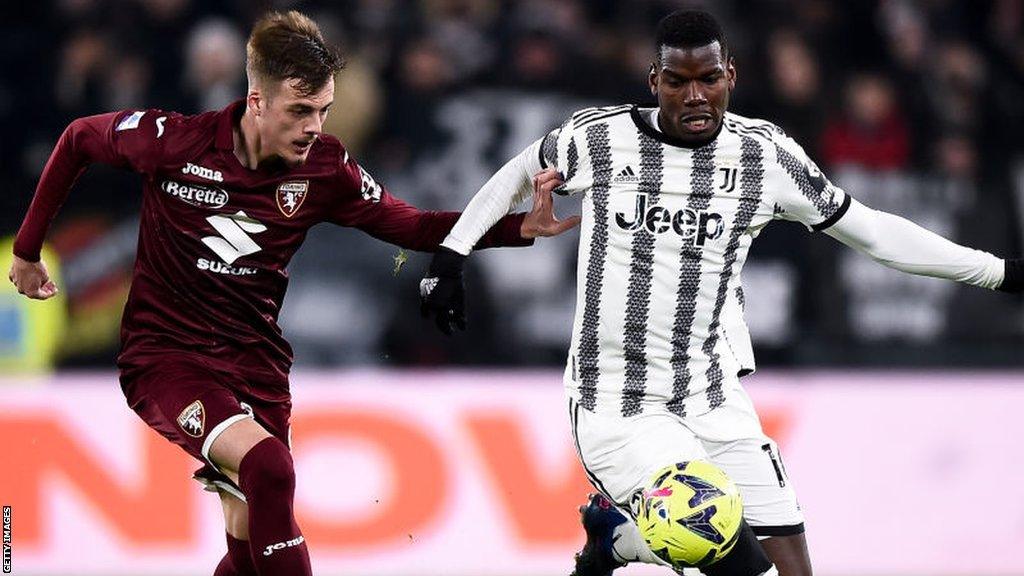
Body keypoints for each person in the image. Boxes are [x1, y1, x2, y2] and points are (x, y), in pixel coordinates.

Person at [419, 9, 1023, 576]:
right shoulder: (598, 140)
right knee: (730, 556)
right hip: (617, 402)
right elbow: (517, 174)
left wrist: (997, 272)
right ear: (654, 81)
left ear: (730, 75)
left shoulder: (764, 156)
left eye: (709, 78)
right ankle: (628, 536)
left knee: (790, 567)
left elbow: (870, 230)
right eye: (677, 82)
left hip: (712, 392)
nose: (695, 96)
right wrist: (451, 255)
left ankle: (614, 538)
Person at [8, 11, 575, 576]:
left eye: (323, 111)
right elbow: (79, 136)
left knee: (249, 552)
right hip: (167, 359)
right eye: (300, 111)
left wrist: (515, 227)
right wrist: (29, 251)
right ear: (257, 102)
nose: (315, 127)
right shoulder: (174, 141)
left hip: (258, 365)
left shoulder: (327, 171)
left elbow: (414, 225)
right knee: (269, 468)